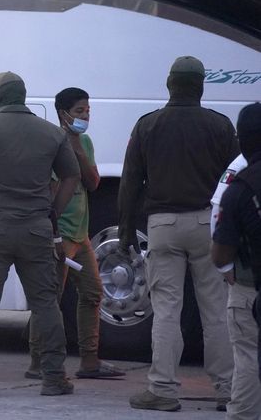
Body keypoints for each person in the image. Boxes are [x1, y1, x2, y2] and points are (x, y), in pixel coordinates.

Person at [0, 71, 80, 398]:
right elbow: (71, 177)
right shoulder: (51, 132)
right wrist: (52, 211)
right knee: (46, 303)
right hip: (36, 227)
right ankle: (53, 377)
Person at [118, 55, 236, 412]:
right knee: (215, 309)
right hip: (207, 224)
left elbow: (130, 182)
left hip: (163, 226)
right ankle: (228, 389)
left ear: (169, 84)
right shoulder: (220, 125)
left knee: (167, 309)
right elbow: (234, 180)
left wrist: (125, 230)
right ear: (201, 86)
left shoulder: (148, 125)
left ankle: (163, 390)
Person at [27, 88, 124, 380]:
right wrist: (53, 234)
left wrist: (79, 149)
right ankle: (37, 362)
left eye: (88, 111)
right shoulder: (51, 143)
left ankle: (89, 361)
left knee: (93, 293)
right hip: (60, 233)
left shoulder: (85, 142)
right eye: (79, 111)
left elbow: (93, 183)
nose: (85, 116)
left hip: (80, 234)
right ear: (62, 113)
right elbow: (50, 192)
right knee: (49, 299)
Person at [212, 103, 261, 415]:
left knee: (247, 358)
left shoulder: (239, 187)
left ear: (241, 140)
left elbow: (220, 253)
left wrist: (228, 269)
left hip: (249, 287)